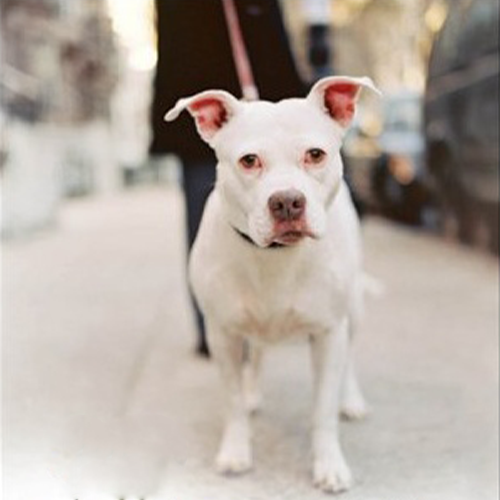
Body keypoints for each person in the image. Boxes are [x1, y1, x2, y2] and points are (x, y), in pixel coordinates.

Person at [150, 0, 306, 357]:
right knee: (208, 215)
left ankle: (271, 313)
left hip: (255, 103)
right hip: (213, 103)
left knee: (259, 211)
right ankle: (220, 323)